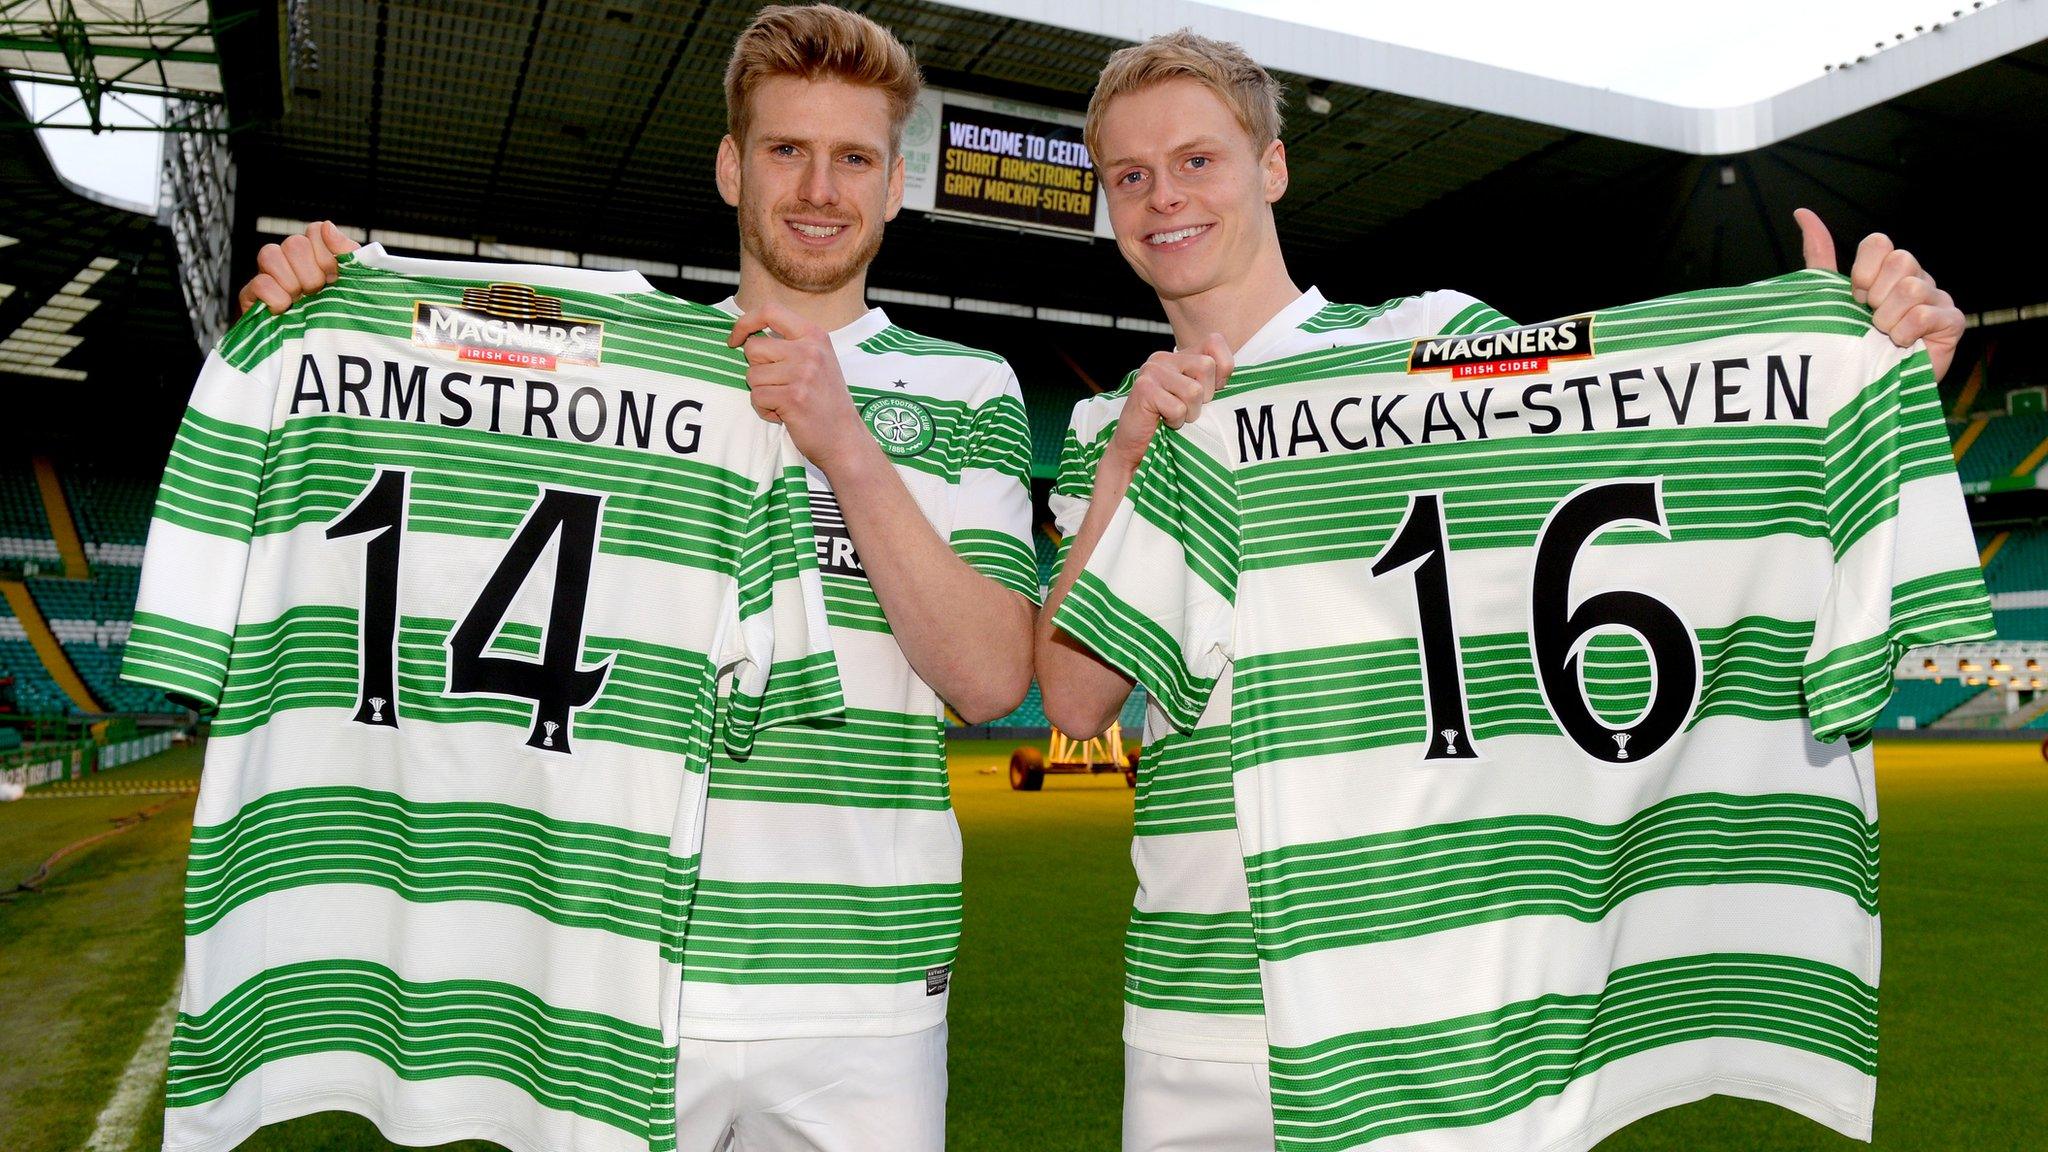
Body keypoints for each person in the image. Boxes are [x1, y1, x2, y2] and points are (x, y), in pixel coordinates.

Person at [1033, 29, 1964, 1152]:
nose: (1161, 198)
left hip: (1440, 1003)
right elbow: (1074, 701)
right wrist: (1134, 457)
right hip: (1200, 1002)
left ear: (1269, 168)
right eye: (1126, 176)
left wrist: (1837, 376)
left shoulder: (1424, 341)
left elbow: (1639, 473)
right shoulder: (1102, 429)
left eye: (1195, 161)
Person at [236, 7, 1036, 1151]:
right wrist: (319, 322)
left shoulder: (968, 391)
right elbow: (430, 501)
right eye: (784, 150)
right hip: (623, 974)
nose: (819, 186)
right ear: (729, 167)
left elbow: (990, 677)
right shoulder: (616, 372)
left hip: (863, 990)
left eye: (853, 156)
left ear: (892, 183)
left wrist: (842, 440)